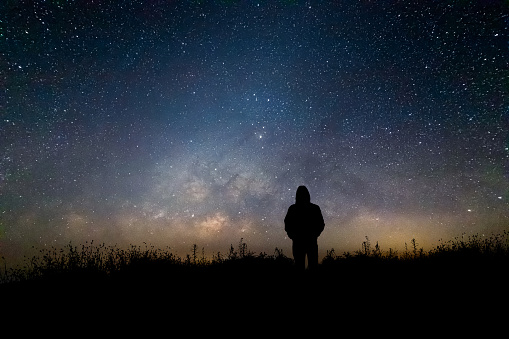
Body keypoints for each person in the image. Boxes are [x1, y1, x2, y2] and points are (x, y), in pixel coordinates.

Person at [284, 186, 325, 270]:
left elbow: (321, 224)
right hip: (302, 241)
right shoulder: (293, 208)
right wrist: (292, 235)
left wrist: (315, 235)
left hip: (307, 241)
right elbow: (287, 223)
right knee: (301, 265)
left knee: (310, 265)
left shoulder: (313, 208)